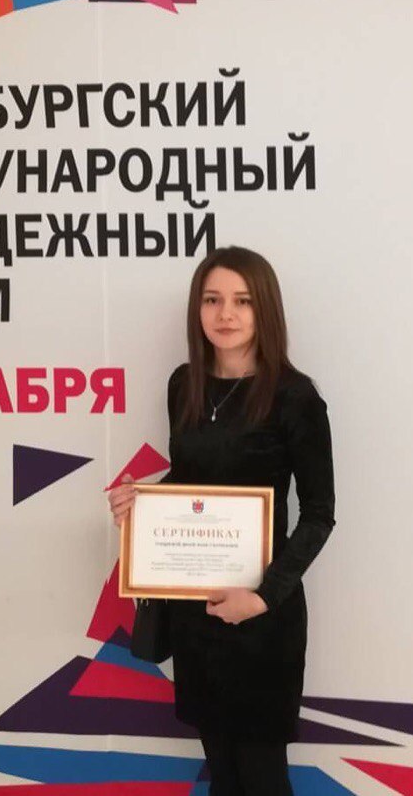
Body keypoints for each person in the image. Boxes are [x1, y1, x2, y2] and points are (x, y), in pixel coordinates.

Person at [108, 245, 335, 796]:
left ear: (265, 310)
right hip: (196, 614)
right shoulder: (183, 384)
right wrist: (142, 505)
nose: (225, 314)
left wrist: (261, 598)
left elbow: (319, 515)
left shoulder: (295, 397)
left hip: (262, 618)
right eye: (212, 300)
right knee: (223, 775)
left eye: (242, 301)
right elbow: (192, 483)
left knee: (262, 778)